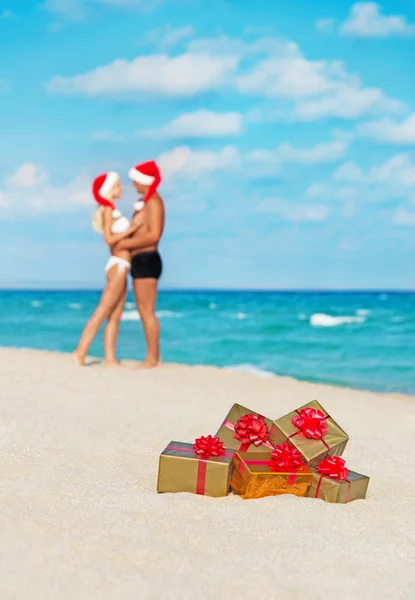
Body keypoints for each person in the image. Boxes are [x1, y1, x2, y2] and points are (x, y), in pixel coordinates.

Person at [72, 171, 144, 366]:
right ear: (109, 190)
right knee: (103, 311)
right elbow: (109, 239)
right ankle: (79, 352)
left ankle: (110, 359)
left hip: (124, 265)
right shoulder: (106, 209)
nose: (121, 189)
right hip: (118, 265)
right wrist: (131, 229)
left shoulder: (112, 209)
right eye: (118, 186)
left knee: (115, 315)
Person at [114, 160, 165, 368]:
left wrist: (125, 243)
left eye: (136, 181)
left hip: (147, 259)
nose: (133, 185)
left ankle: (152, 358)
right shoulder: (146, 202)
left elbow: (154, 235)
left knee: (147, 311)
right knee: (143, 310)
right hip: (139, 260)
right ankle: (153, 357)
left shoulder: (153, 201)